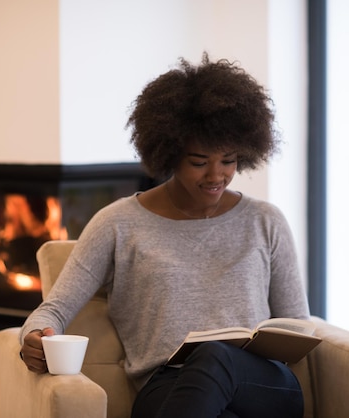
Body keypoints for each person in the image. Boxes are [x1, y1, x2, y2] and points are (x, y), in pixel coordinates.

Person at [19, 53, 310, 418]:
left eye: (229, 160)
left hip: (262, 385)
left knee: (216, 354)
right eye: (199, 162)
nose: (216, 175)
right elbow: (54, 309)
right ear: (169, 152)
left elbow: (298, 326)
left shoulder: (266, 221)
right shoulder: (118, 223)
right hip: (169, 386)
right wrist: (32, 337)